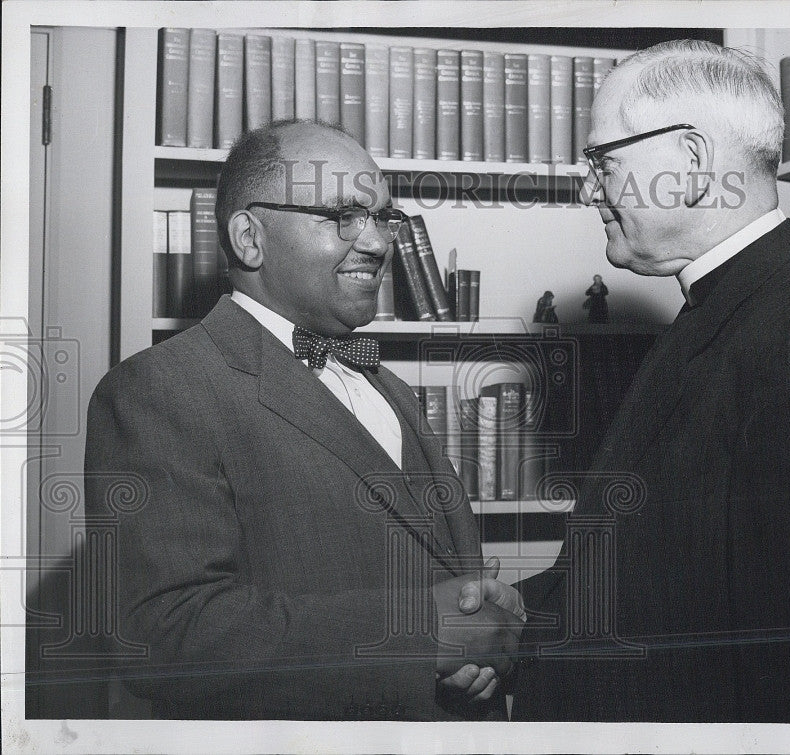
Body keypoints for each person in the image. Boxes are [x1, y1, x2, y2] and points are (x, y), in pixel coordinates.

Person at [510, 40, 790, 722]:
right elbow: (664, 575)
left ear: (693, 162)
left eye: (602, 162)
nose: (587, 188)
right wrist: (513, 614)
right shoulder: (733, 308)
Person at [84, 121, 523, 720]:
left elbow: (442, 577)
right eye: (344, 215)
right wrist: (421, 634)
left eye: (382, 218)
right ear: (249, 238)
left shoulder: (388, 387)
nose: (376, 242)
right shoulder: (156, 391)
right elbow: (165, 638)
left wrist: (484, 636)